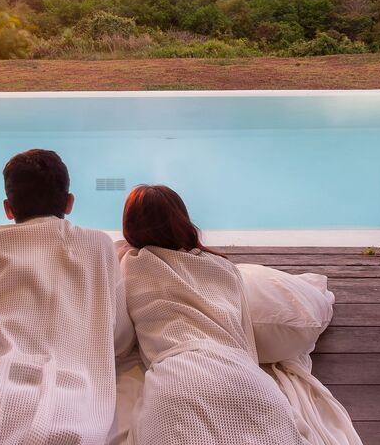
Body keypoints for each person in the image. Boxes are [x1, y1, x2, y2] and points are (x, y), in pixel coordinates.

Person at [0, 149, 135, 445]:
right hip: (72, 400)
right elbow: (120, 338)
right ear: (69, 203)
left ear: (8, 208)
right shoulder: (99, 246)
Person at [118, 184, 305, 445]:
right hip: (244, 377)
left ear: (130, 227)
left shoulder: (131, 264)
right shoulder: (224, 268)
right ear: (181, 218)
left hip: (177, 380)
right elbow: (245, 339)